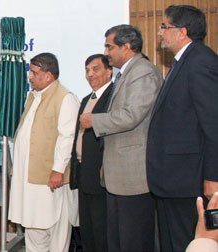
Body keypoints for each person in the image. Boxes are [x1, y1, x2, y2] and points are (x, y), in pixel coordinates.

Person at [79, 24, 162, 251]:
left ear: (126, 47)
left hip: (134, 177)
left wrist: (94, 121)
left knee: (133, 240)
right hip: (118, 175)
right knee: (117, 240)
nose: (106, 52)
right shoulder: (125, 73)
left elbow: (131, 116)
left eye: (109, 46)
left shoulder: (143, 71)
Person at [147, 5, 218, 251]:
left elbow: (213, 124)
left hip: (189, 180)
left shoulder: (201, 62)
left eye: (164, 27)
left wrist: (213, 176)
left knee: (186, 241)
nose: (159, 33)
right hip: (173, 179)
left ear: (182, 32)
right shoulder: (182, 61)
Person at [8, 52, 79, 252]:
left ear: (48, 75)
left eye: (34, 72)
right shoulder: (33, 97)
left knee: (55, 235)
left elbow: (67, 138)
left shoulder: (65, 98)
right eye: (30, 71)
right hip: (29, 181)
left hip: (50, 181)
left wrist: (58, 170)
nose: (29, 76)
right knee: (33, 229)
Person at [70, 54, 113, 252]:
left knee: (101, 230)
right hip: (83, 172)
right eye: (87, 70)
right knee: (86, 230)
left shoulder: (113, 96)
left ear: (109, 71)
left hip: (101, 174)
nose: (90, 74)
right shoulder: (87, 99)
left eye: (95, 69)